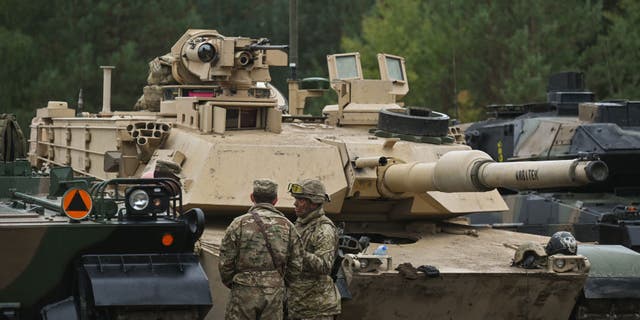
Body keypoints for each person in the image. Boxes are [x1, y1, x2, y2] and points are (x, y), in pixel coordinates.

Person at [219, 179, 302, 320]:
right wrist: (279, 282)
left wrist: (236, 282)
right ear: (275, 200)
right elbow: (296, 264)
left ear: (252, 197)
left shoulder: (238, 223)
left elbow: (225, 261)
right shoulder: (288, 226)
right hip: (274, 292)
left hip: (243, 289)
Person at [287, 179, 341, 320]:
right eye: (295, 199)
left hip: (316, 309)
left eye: (300, 199)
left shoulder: (323, 229)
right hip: (298, 305)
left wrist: (297, 251)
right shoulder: (300, 224)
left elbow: (324, 266)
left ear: (314, 202)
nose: (295, 203)